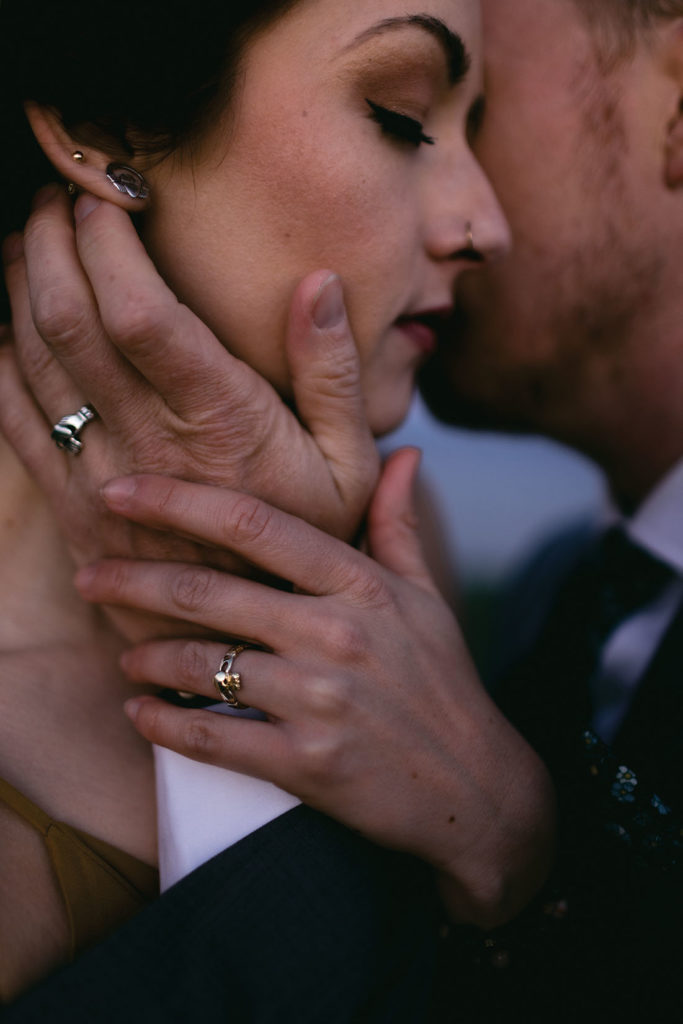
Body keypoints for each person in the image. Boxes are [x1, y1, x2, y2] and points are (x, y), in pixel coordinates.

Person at [7, 0, 683, 1019]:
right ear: (107, 134)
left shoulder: (406, 570)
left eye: (482, 121)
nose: (480, 223)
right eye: (401, 117)